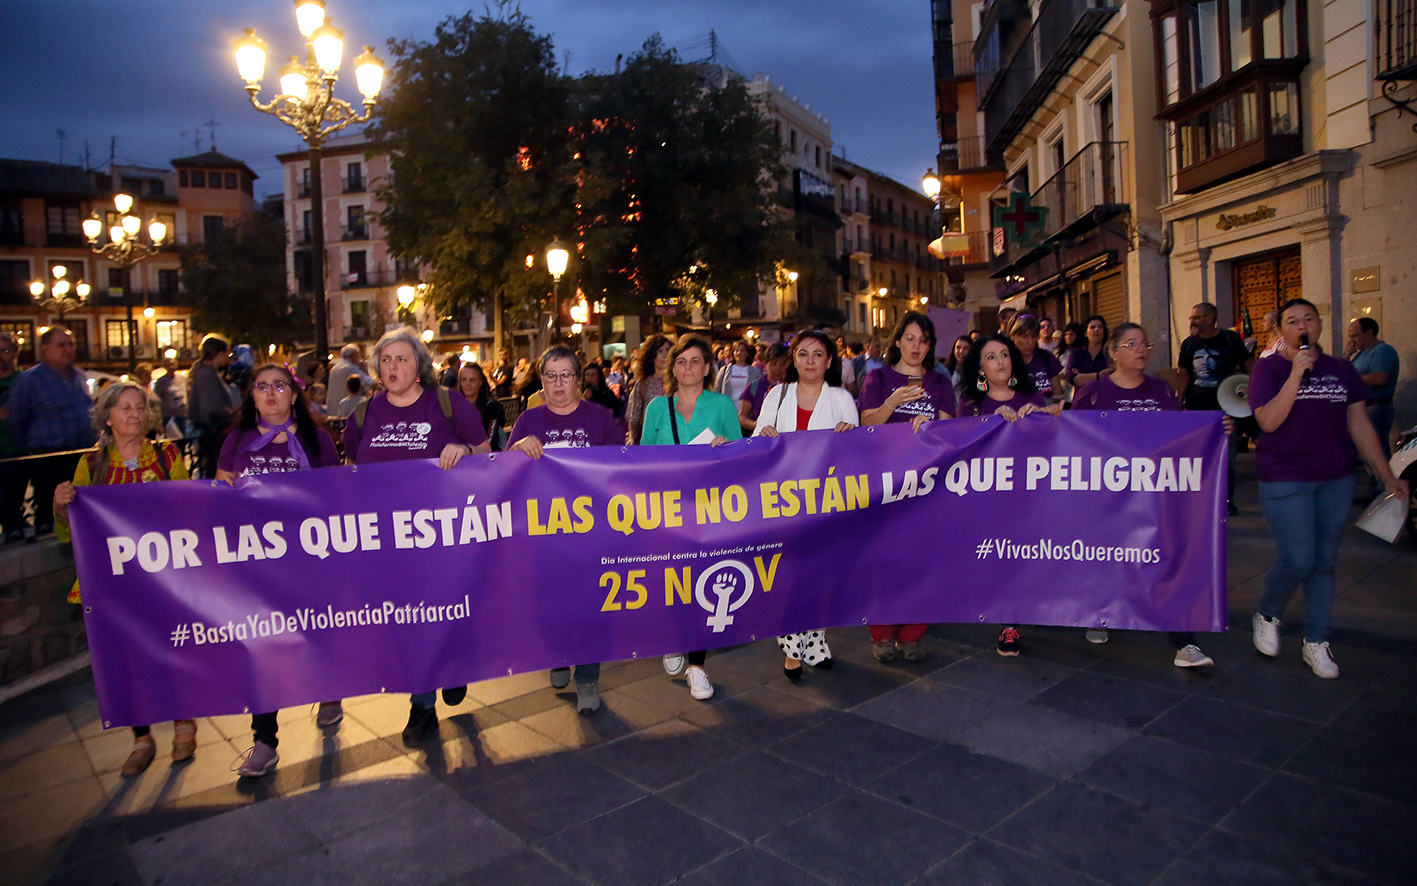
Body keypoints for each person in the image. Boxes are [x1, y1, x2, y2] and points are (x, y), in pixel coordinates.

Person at [343, 327, 491, 743]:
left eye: (403, 359)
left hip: (443, 536)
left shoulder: (448, 404)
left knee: (444, 612)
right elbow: (351, 472)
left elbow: (486, 453)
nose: (393, 367)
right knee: (410, 621)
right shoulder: (362, 415)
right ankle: (422, 704)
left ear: (420, 366)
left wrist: (463, 452)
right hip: (389, 542)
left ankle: (453, 664)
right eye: (386, 360)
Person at [1249, 299, 1408, 679]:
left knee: (1324, 562)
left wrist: (1387, 474)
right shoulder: (1268, 369)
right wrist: (1294, 377)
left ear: (1319, 326)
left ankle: (1316, 640)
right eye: (1292, 321)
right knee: (1298, 558)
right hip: (1286, 477)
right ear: (1280, 331)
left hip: (1336, 478)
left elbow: (1360, 425)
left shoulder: (1341, 369)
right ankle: (1268, 612)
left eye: (1308, 319)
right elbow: (1268, 422)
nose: (1301, 325)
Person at [54, 383, 190, 776]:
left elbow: (188, 510)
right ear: (107, 417)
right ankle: (142, 738)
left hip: (164, 577)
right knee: (129, 661)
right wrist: (60, 505)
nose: (134, 414)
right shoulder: (91, 465)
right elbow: (69, 533)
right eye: (125, 408)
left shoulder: (166, 456)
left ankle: (184, 722)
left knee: (174, 651)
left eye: (140, 407)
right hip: (114, 585)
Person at [215, 364, 341, 776]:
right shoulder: (238, 440)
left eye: (279, 386)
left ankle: (328, 691)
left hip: (310, 560)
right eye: (261, 387)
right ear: (251, 395)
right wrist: (224, 487)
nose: (270, 394)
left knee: (317, 632)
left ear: (293, 395)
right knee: (261, 648)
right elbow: (220, 496)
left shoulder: (317, 440)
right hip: (258, 566)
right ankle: (264, 741)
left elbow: (339, 496)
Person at [1072, 323, 1217, 666]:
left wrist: (1215, 429)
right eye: (1132, 343)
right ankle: (1100, 610)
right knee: (1107, 554)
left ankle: (1184, 640)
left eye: (1144, 343)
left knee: (1169, 557)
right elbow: (1073, 438)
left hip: (1155, 494)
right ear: (1114, 352)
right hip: (1109, 496)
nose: (1141, 350)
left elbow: (1180, 435)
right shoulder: (1093, 393)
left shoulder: (1162, 391)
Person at [507, 346, 625, 713]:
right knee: (549, 602)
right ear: (541, 382)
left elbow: (623, 469)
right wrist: (516, 449)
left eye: (566, 376)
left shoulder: (600, 418)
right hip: (544, 536)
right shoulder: (528, 420)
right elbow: (504, 473)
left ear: (579, 380)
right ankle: (558, 655)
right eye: (550, 376)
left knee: (593, 603)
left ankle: (588, 678)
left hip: (591, 534)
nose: (559, 384)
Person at [752, 330, 857, 679]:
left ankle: (815, 642)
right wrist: (765, 434)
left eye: (818, 354)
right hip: (784, 501)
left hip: (828, 501)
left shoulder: (842, 398)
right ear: (793, 359)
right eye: (803, 354)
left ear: (829, 361)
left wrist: (848, 434)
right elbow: (759, 438)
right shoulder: (777, 394)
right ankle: (791, 646)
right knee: (791, 575)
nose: (810, 361)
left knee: (822, 574)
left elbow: (856, 450)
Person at [641, 337, 741, 700]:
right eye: (681, 361)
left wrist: (725, 447)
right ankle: (673, 639)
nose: (688, 368)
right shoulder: (656, 408)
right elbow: (642, 462)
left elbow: (740, 455)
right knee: (672, 578)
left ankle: (697, 665)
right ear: (672, 368)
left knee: (702, 581)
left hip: (708, 508)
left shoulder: (722, 405)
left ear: (707, 367)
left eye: (695, 361)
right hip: (667, 510)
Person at [857, 312, 957, 662]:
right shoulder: (879, 378)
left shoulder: (939, 382)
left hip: (928, 484)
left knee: (923, 558)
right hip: (886, 483)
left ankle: (913, 634)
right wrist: (892, 403)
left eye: (923, 340)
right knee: (884, 559)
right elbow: (865, 424)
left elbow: (950, 431)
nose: (916, 346)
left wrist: (929, 426)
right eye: (910, 338)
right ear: (897, 340)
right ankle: (881, 633)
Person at [957, 334, 1060, 657]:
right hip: (988, 496)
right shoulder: (970, 403)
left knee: (1023, 554)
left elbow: (1055, 441)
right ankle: (1007, 620)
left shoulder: (1032, 396)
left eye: (1004, 354)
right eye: (991, 357)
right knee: (1001, 557)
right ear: (980, 367)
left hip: (1029, 493)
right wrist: (987, 424)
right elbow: (958, 445)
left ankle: (1018, 616)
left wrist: (1047, 417)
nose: (1000, 362)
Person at [4, 327, 95, 534]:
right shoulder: (29, 380)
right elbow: (15, 421)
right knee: (51, 512)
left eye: (70, 344)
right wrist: (34, 448)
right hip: (49, 459)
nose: (67, 349)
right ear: (45, 349)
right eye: (61, 344)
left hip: (81, 455)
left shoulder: (80, 376)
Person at [1176, 303, 1247, 515]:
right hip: (1197, 409)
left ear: (1210, 318)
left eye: (1196, 317)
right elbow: (1184, 373)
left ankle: (1226, 499)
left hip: (1228, 409)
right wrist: (1180, 401)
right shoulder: (1189, 344)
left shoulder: (1230, 340)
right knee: (1198, 456)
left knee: (1227, 457)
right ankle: (1201, 499)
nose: (1192, 321)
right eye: (1191, 317)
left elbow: (1249, 366)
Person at [1347, 317, 1399, 463]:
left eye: (1355, 335)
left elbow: (1380, 378)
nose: (1352, 340)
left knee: (1376, 449)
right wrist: (1347, 354)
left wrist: (1353, 378)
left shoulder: (1382, 351)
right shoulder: (1359, 354)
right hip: (1361, 408)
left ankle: (1385, 482)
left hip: (1376, 407)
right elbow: (1342, 372)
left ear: (1369, 333)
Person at [187, 335, 237, 479]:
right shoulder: (206, 374)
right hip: (212, 431)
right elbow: (212, 406)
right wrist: (231, 414)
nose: (228, 357)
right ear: (220, 353)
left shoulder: (206, 372)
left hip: (210, 430)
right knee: (212, 468)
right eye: (227, 353)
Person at [0, 334, 27, 541]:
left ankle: (15, 524)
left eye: (6, 351)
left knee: (13, 494)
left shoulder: (24, 381)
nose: (1, 356)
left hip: (16, 450)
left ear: (16, 353)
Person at [626, 334, 673, 445]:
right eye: (660, 351)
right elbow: (635, 417)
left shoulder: (679, 381)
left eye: (667, 350)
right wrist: (631, 437)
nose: (665, 355)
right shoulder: (642, 384)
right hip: (650, 440)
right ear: (651, 356)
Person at [737, 344, 790, 435]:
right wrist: (757, 425)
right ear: (765, 364)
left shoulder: (793, 388)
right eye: (773, 364)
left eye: (782, 364)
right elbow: (741, 417)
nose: (777, 369)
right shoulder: (754, 386)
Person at [1009, 314, 1064, 401]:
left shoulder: (1046, 357)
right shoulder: (1006, 361)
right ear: (1013, 337)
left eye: (1034, 336)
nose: (1030, 342)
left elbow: (1058, 394)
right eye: (1024, 337)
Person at [457, 361, 507, 450]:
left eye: (472, 380)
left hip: (486, 456)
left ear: (480, 382)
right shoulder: (454, 405)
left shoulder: (491, 407)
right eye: (464, 380)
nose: (467, 384)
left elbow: (490, 438)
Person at [1064, 315, 1110, 390]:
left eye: (1100, 327)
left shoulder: (1110, 353)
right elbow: (1072, 378)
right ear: (1085, 333)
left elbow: (1113, 377)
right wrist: (1099, 375)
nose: (1096, 330)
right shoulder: (1076, 353)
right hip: (1083, 397)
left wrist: (1083, 377)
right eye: (1092, 327)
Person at [713, 339, 762, 405]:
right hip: (728, 408)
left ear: (747, 353)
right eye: (736, 350)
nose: (739, 353)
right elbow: (716, 389)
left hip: (747, 410)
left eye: (742, 351)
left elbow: (759, 392)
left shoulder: (755, 372)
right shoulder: (724, 370)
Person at [327, 344, 371, 415]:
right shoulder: (351, 367)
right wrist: (364, 369)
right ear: (353, 355)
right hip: (350, 405)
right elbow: (369, 382)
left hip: (334, 406)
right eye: (358, 355)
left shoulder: (335, 368)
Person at [152, 355, 188, 437]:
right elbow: (156, 399)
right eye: (168, 365)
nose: (171, 367)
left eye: (172, 364)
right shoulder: (161, 382)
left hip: (182, 415)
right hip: (168, 416)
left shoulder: (182, 378)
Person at [580, 361, 624, 425]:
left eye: (593, 374)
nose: (590, 378)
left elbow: (616, 411)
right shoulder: (579, 393)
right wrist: (584, 398)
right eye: (587, 375)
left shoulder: (607, 393)